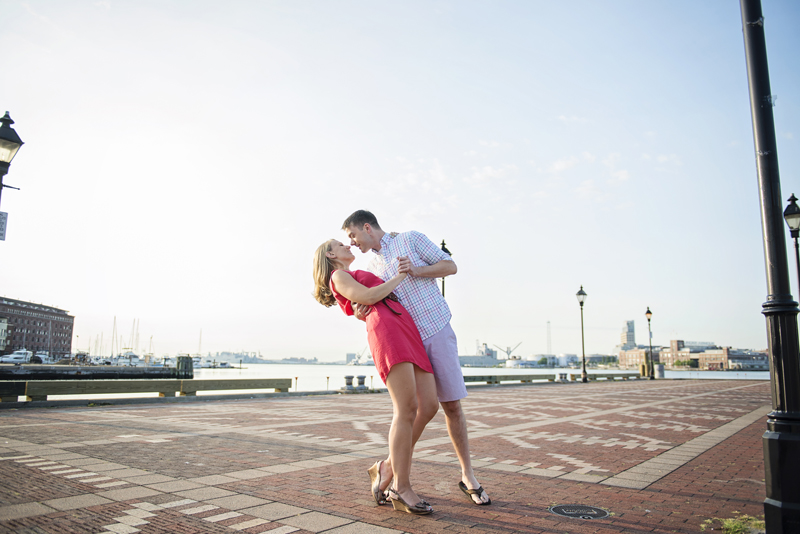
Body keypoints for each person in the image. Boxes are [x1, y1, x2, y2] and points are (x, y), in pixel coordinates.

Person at [342, 210, 492, 506]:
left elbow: (450, 266)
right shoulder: (372, 266)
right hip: (407, 342)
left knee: (451, 406)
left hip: (436, 328)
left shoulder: (411, 240)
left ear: (367, 227)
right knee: (417, 409)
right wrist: (362, 313)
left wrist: (416, 270)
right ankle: (391, 468)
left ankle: (467, 475)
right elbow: (377, 302)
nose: (353, 243)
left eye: (353, 236)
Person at [313, 239, 439, 515]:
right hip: (388, 331)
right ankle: (401, 487)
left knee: (429, 405)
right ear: (331, 254)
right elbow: (368, 298)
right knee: (406, 409)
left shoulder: (351, 273)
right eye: (340, 244)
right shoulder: (338, 275)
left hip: (405, 326)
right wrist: (400, 277)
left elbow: (365, 299)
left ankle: (387, 467)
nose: (348, 245)